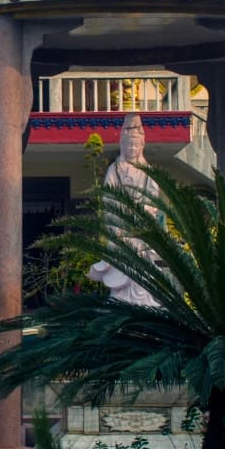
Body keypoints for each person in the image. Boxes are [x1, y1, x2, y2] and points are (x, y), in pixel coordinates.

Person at [89, 112, 161, 308]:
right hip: (121, 225)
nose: (132, 149)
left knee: (142, 266)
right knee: (123, 264)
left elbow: (154, 197)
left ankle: (145, 301)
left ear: (142, 146)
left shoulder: (148, 171)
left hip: (140, 225)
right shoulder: (115, 169)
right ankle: (120, 300)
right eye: (128, 145)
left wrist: (143, 211)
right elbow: (108, 196)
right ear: (122, 144)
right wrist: (119, 216)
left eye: (136, 145)